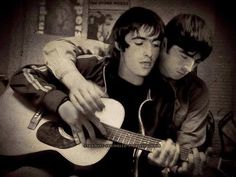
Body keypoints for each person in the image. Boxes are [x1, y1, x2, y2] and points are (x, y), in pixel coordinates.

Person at [8, 7, 183, 177]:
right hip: (55, 162)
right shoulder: (91, 67)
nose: (149, 53)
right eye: (139, 43)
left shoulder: (164, 95)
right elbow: (24, 75)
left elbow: (150, 155)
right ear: (119, 44)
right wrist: (62, 105)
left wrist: (156, 162)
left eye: (156, 44)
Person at [40, 12, 213, 177]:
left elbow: (186, 152)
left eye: (197, 62)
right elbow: (56, 48)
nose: (189, 68)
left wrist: (181, 170)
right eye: (184, 56)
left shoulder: (197, 91)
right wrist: (75, 84)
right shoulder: (122, 56)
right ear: (164, 44)